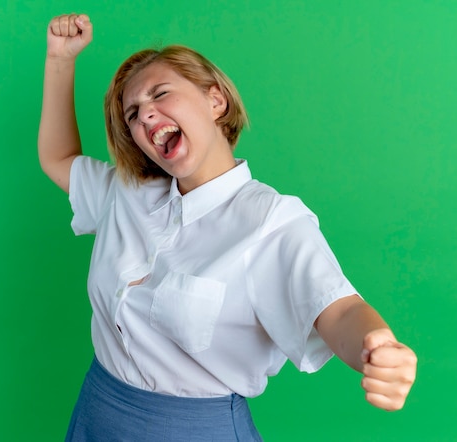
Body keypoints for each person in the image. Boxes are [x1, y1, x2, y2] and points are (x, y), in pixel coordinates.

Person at [38, 13, 417, 442]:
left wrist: (378, 345)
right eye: (133, 114)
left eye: (160, 93)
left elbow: (339, 309)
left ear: (215, 101)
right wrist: (60, 60)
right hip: (97, 409)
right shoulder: (126, 192)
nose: (146, 115)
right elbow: (58, 158)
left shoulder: (271, 221)